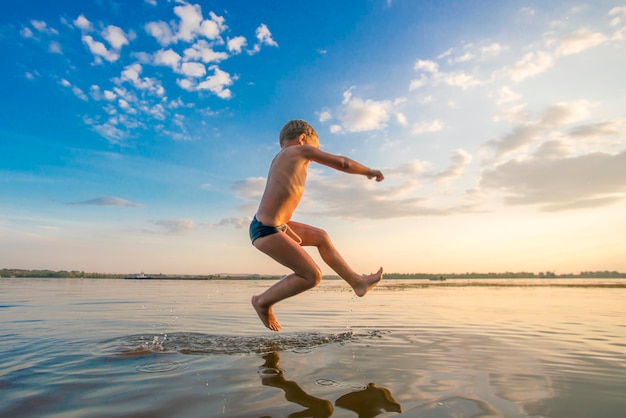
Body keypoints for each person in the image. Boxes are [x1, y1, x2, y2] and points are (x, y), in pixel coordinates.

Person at [250, 120, 385, 331]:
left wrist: (288, 231)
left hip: (278, 226)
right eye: (316, 148)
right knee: (312, 275)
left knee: (321, 236)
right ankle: (262, 301)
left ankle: (357, 282)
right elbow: (342, 163)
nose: (315, 153)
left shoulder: (281, 158)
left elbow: (278, 202)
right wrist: (368, 171)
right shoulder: (297, 151)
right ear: (303, 139)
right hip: (266, 229)